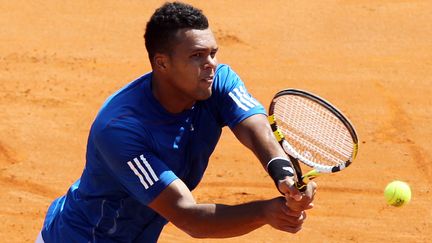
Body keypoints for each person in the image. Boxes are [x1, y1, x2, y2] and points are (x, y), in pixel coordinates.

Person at [38, 2, 316, 242]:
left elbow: (256, 129)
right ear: (162, 63)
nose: (210, 64)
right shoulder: (121, 129)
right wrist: (265, 212)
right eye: (197, 56)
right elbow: (188, 216)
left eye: (212, 53)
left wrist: (284, 175)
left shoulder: (217, 80)